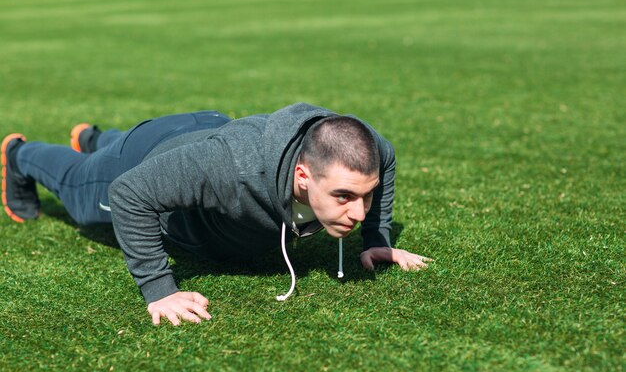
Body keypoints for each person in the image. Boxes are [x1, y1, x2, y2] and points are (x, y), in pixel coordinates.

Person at [2, 102, 431, 326]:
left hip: (205, 130)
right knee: (82, 190)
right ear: (302, 175)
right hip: (151, 154)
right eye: (343, 196)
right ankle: (21, 154)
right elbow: (130, 193)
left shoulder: (360, 147)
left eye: (366, 196)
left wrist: (376, 238)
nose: (357, 211)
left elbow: (385, 160)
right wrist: (159, 289)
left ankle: (94, 137)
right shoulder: (229, 169)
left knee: (151, 160)